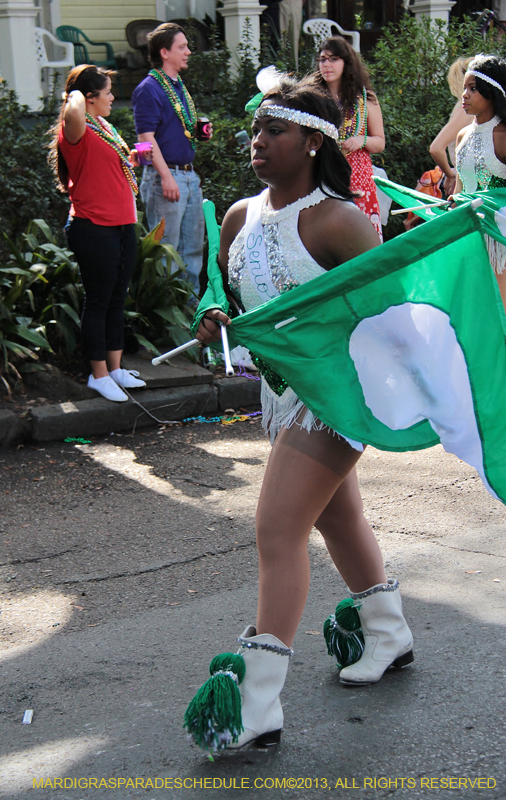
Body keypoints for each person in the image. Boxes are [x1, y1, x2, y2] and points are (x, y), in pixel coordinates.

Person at [191, 75, 413, 751]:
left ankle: (256, 700)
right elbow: (229, 289)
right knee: (336, 515)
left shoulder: (338, 221)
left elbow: (392, 314)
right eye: (253, 131)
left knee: (276, 529)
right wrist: (213, 313)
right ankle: (387, 631)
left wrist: (324, 344)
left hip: (336, 394)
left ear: (313, 142)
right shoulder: (238, 215)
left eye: (274, 131)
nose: (257, 143)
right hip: (278, 391)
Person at [49, 65, 146, 403]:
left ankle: (116, 369)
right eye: (106, 92)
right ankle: (98, 374)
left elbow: (105, 165)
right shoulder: (75, 129)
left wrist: (129, 159)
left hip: (121, 223)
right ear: (89, 99)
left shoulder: (103, 125)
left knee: (118, 298)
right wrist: (73, 92)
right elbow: (73, 108)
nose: (112, 97)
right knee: (99, 301)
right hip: (93, 227)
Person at [132, 22, 211, 298]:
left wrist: (198, 133)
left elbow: (175, 127)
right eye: (182, 47)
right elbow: (145, 139)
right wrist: (165, 176)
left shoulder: (177, 86)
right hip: (166, 178)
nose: (188, 51)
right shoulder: (148, 89)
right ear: (164, 52)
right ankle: (167, 326)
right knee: (166, 253)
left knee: (191, 252)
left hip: (188, 176)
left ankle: (191, 319)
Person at [315, 36, 385, 240]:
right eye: (322, 59)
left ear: (347, 62)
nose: (326, 64)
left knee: (362, 241)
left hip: (358, 178)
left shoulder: (365, 98)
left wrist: (361, 140)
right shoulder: (313, 98)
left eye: (333, 59)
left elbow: (379, 142)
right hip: (323, 175)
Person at [454, 54, 506, 309]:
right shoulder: (462, 135)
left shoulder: (504, 136)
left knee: (499, 314)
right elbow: (459, 188)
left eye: (473, 89)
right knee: (471, 313)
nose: (464, 94)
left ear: (492, 92)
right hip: (466, 235)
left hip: (500, 241)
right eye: (464, 88)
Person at [429, 57, 474, 197]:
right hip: (468, 183)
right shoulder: (466, 109)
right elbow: (436, 148)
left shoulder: (464, 108)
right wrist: (450, 175)